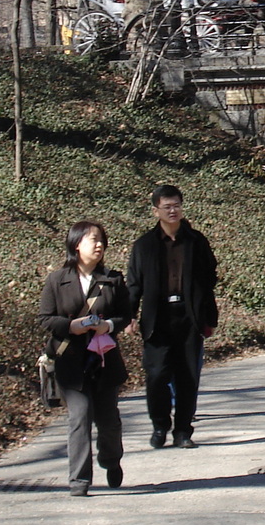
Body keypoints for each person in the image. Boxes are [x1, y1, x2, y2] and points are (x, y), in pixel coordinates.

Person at [39, 220, 133, 497]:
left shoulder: (113, 280)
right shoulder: (57, 280)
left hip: (104, 361)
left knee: (108, 421)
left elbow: (125, 315)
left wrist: (109, 326)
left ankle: (111, 459)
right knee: (79, 417)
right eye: (94, 240)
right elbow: (45, 319)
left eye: (102, 240)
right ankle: (78, 480)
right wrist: (72, 326)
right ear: (76, 244)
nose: (99, 245)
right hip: (71, 361)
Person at [128, 184, 219, 449]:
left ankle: (183, 431)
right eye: (167, 206)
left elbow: (208, 279)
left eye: (176, 205)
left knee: (188, 376)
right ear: (155, 210)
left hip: (188, 317)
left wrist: (209, 318)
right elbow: (134, 284)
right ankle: (159, 425)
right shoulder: (144, 245)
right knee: (156, 375)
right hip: (158, 319)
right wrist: (129, 315)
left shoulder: (196, 241)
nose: (173, 211)